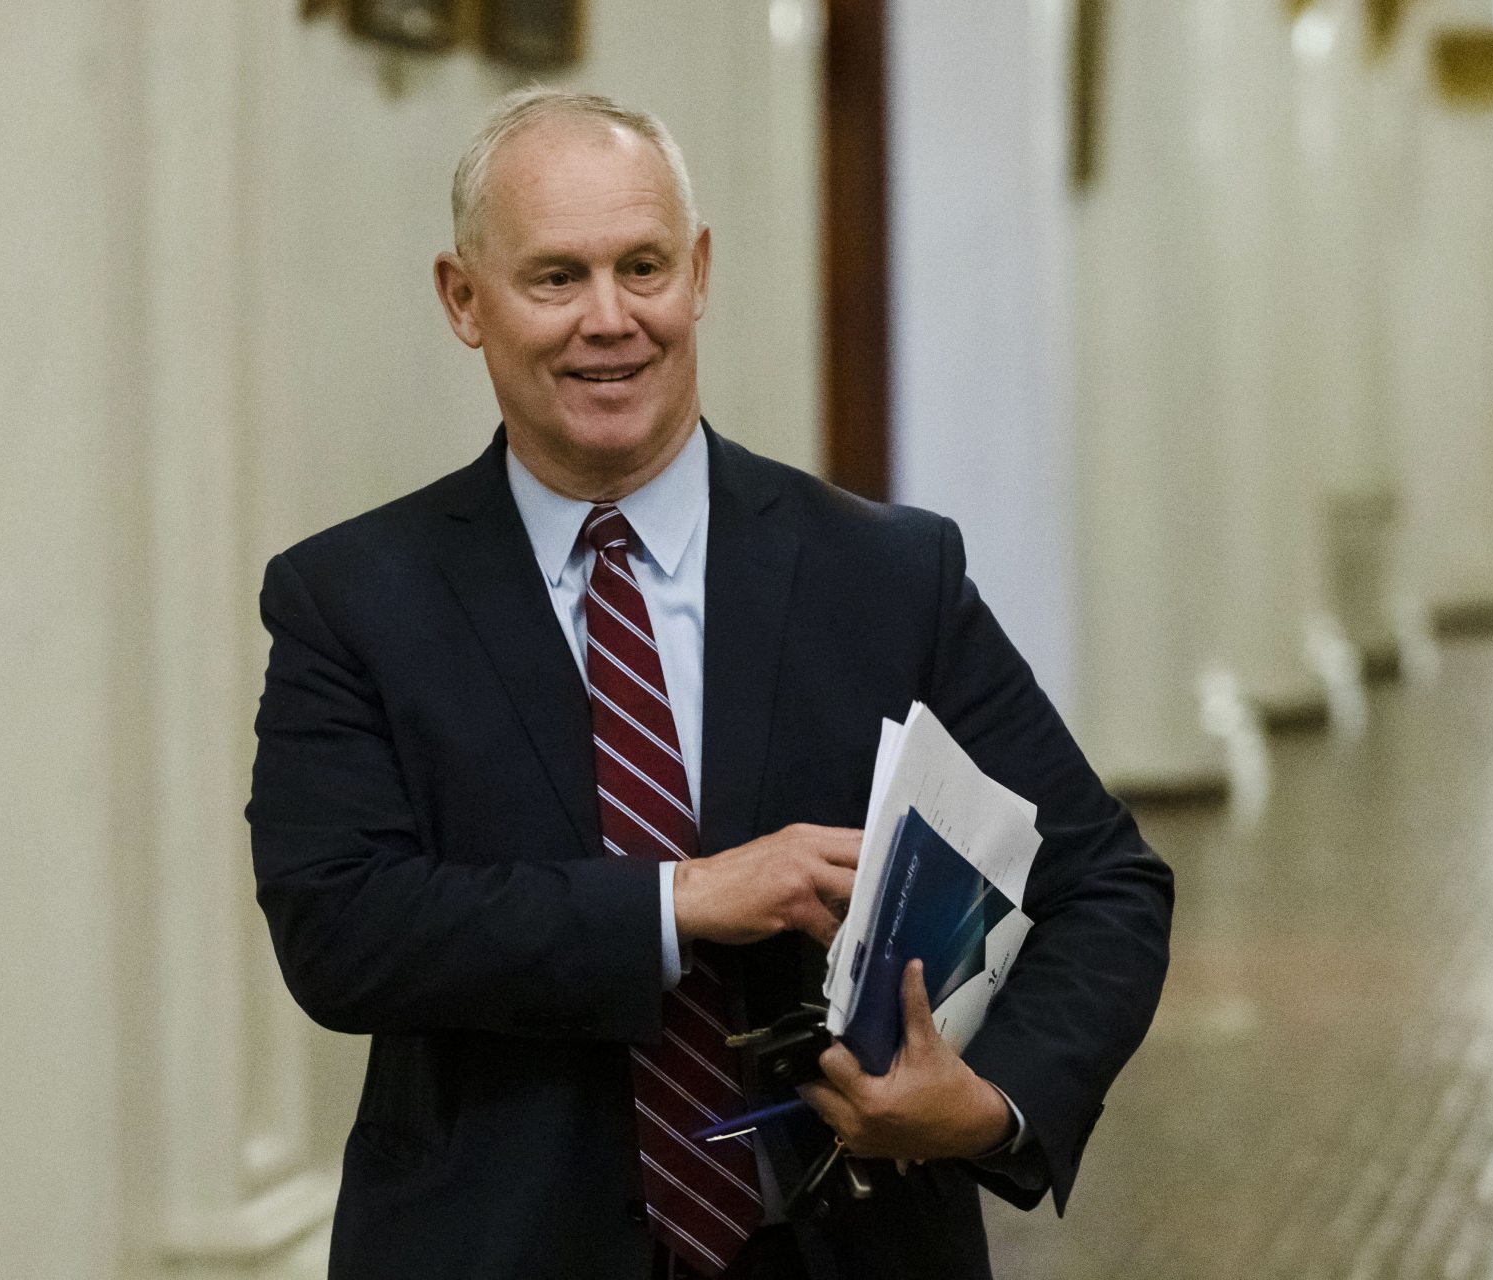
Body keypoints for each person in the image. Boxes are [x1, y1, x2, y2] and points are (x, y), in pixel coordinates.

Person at [246, 87, 1172, 1280]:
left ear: (701, 272)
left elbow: (1105, 881)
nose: (611, 319)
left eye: (643, 266)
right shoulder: (353, 599)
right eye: (555, 278)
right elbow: (342, 928)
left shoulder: (887, 573)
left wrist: (991, 1103)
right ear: (462, 299)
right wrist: (679, 902)